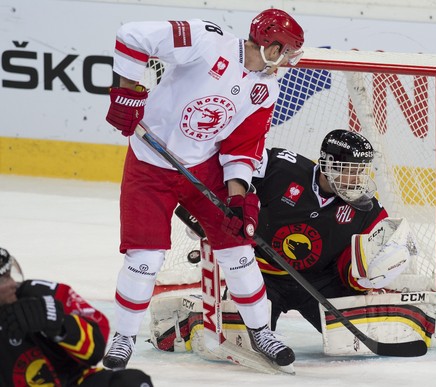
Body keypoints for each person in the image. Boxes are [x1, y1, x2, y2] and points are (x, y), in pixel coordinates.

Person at [103, 9, 304, 369]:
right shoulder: (207, 41)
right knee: (145, 260)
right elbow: (133, 35)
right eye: (286, 51)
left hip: (206, 167)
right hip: (150, 164)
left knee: (238, 247)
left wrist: (238, 198)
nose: (288, 60)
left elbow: (241, 147)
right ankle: (123, 337)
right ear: (270, 45)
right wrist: (125, 93)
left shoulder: (265, 88)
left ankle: (261, 331)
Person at [252, 129, 409, 332]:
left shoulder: (367, 210)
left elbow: (373, 252)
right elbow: (235, 168)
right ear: (329, 164)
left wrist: (367, 276)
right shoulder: (279, 169)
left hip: (319, 282)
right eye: (350, 170)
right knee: (241, 337)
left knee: (358, 335)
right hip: (262, 275)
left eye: (360, 171)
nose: (356, 179)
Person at [0, 247, 154, 387]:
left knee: (133, 383)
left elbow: (97, 345)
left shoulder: (40, 294)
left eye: (9, 274)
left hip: (73, 382)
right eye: (4, 279)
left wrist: (60, 325)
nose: (13, 283)